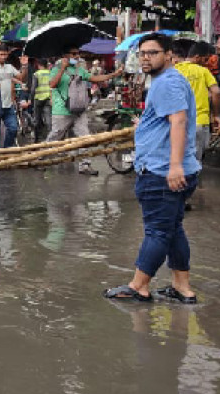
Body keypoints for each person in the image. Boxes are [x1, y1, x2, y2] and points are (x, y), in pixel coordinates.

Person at [105, 33, 200, 303]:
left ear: (169, 54)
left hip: (162, 171)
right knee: (172, 229)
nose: (145, 58)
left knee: (157, 231)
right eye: (142, 53)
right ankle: (182, 287)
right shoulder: (169, 81)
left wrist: (174, 167)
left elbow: (178, 122)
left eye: (153, 53)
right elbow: (167, 121)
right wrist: (144, 127)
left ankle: (138, 286)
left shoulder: (167, 82)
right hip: (172, 167)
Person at [47, 45, 121, 175]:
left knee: (85, 137)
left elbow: (95, 79)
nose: (77, 56)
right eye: (74, 54)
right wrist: (62, 68)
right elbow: (52, 84)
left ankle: (85, 165)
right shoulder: (56, 69)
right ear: (65, 56)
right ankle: (41, 157)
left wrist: (113, 74)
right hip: (62, 110)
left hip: (79, 110)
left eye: (78, 53)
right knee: (55, 136)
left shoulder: (79, 69)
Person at [174, 42, 220, 161]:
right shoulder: (203, 71)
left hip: (178, 123)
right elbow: (216, 92)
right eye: (205, 59)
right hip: (199, 122)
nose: (206, 63)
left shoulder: (174, 71)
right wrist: (216, 115)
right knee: (195, 163)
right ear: (197, 57)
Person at [0, 44, 27, 148]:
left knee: (13, 128)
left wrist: (24, 65)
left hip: (9, 105)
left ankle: (6, 149)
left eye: (5, 54)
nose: (3, 57)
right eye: (1, 54)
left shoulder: (9, 67)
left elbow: (21, 77)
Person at [27, 57, 53, 143]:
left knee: (37, 119)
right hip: (48, 98)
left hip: (38, 99)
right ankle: (50, 139)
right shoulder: (50, 73)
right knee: (48, 118)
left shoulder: (37, 74)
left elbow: (33, 88)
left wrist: (30, 99)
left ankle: (37, 139)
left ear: (39, 65)